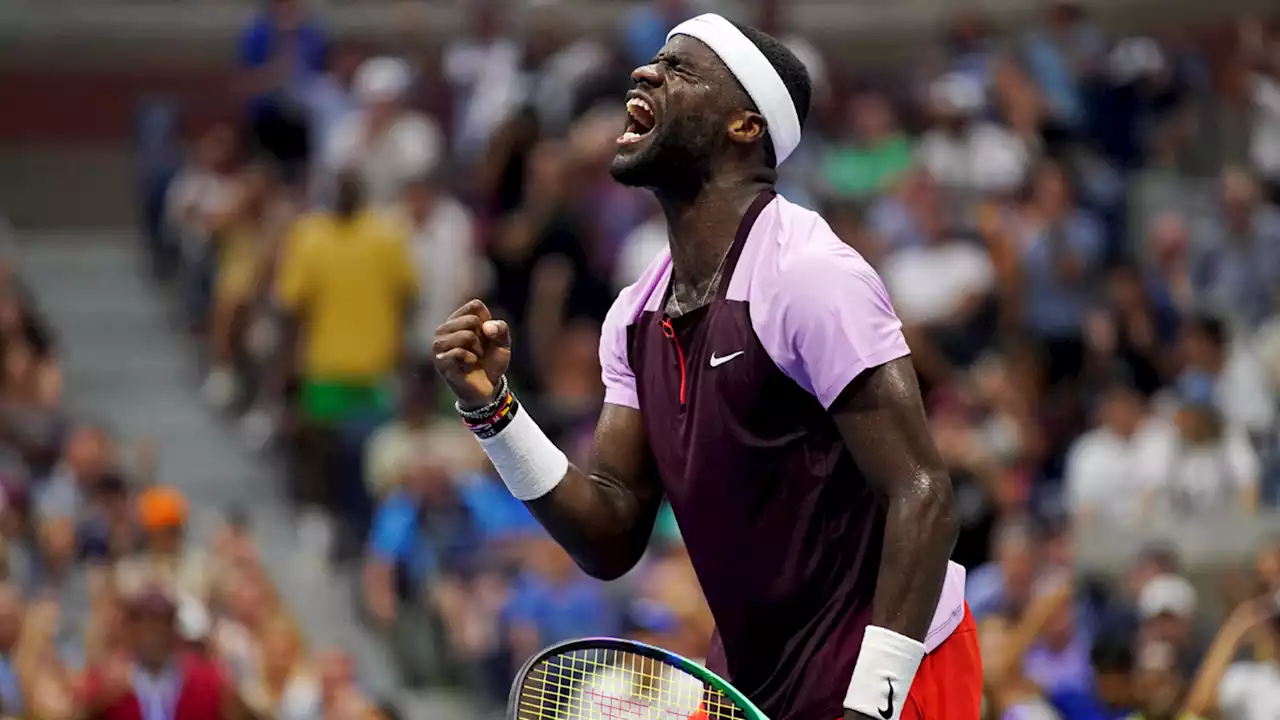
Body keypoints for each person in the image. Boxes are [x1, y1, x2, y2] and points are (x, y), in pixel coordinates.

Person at [432, 14, 977, 720]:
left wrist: (872, 704)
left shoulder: (809, 277)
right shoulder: (633, 317)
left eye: (680, 68)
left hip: (891, 670)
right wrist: (493, 413)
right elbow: (610, 531)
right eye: (655, 60)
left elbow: (924, 495)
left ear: (744, 126)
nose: (644, 73)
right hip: (751, 684)